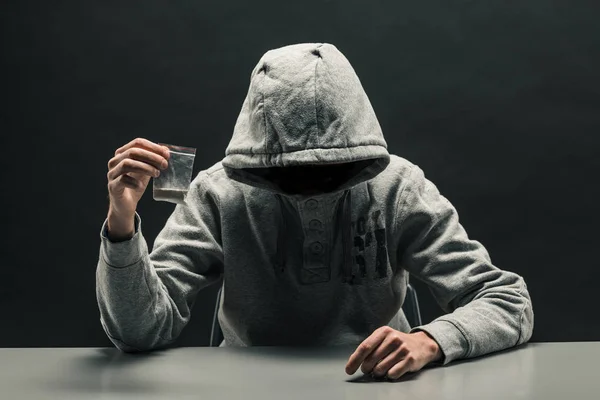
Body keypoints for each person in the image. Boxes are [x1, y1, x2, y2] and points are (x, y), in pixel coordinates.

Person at [98, 43, 534, 380]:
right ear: (257, 158)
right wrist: (121, 222)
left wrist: (431, 341)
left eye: (332, 169)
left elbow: (509, 301)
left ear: (361, 152)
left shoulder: (398, 186)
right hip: (244, 387)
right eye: (288, 172)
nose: (309, 188)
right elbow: (139, 331)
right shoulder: (218, 193)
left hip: (376, 384)